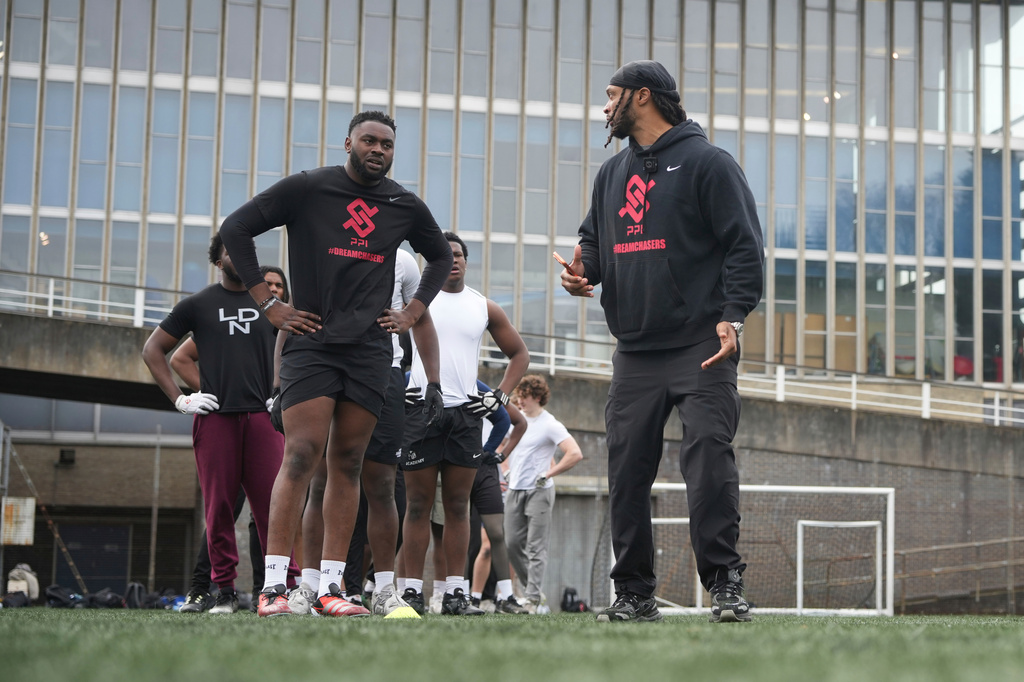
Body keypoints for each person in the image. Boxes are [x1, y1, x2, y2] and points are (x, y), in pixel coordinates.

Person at [219, 110, 452, 618]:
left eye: (387, 145)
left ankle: (332, 588)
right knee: (301, 455)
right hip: (312, 342)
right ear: (348, 142)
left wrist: (413, 311)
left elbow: (438, 257)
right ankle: (274, 587)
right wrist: (267, 302)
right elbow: (236, 229)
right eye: (369, 141)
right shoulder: (308, 188)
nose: (378, 150)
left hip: (370, 351)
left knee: (348, 463)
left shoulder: (403, 204)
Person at [560, 60, 764, 623]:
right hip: (635, 352)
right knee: (626, 471)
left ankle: (725, 585)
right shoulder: (611, 174)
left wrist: (734, 315)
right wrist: (585, 273)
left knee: (708, 463)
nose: (604, 108)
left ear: (641, 97)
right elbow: (593, 238)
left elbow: (745, 246)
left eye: (611, 96)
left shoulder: (709, 164)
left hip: (702, 344)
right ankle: (633, 593)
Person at [142, 235, 291, 614]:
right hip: (216, 421)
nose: (238, 257)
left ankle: (281, 588)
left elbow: (294, 349)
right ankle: (223, 591)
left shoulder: (270, 304)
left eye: (246, 251)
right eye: (230, 251)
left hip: (262, 417)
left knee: (273, 507)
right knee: (219, 509)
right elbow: (154, 350)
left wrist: (282, 391)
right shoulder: (197, 304)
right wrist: (181, 398)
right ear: (217, 258)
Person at [399, 232, 530, 616]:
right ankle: (410, 594)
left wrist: (499, 396)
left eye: (458, 255)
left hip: (466, 417)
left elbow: (519, 354)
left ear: (466, 261)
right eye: (445, 255)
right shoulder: (416, 303)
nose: (452, 260)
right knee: (418, 506)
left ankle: (457, 595)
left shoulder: (483, 306)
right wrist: (401, 385)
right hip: (422, 411)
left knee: (458, 507)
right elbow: (385, 346)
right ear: (429, 262)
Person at [292, 248, 422, 615]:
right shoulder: (331, 244)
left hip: (386, 373)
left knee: (382, 485)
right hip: (329, 367)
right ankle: (311, 585)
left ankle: (383, 590)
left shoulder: (404, 261)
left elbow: (420, 318)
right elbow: (298, 313)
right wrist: (277, 386)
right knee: (321, 481)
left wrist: (434, 382)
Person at [503, 375, 583, 612]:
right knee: (512, 544)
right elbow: (500, 446)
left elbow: (574, 453)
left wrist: (549, 474)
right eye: (518, 396)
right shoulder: (515, 421)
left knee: (536, 547)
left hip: (539, 491)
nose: (519, 401)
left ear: (537, 397)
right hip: (515, 489)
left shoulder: (550, 424)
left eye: (523, 396)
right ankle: (534, 591)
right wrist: (505, 470)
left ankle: (533, 599)